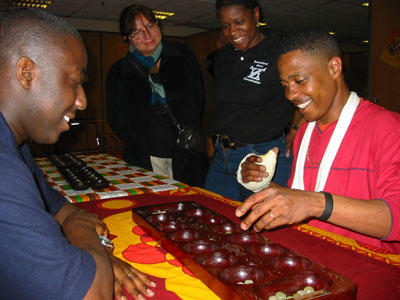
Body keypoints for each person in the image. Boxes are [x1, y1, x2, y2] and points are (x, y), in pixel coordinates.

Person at [0, 8, 156, 299]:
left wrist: (89, 257)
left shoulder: (16, 146)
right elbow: (90, 293)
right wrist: (89, 243)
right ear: (26, 73)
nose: (83, 101)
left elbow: (60, 209)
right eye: (74, 82)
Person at [236, 28, 400, 253]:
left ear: (334, 68)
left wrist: (314, 203)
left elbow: (396, 217)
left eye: (300, 81)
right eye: (285, 85)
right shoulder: (305, 132)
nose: (291, 95)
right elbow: (302, 200)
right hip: (313, 262)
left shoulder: (386, 127)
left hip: (368, 270)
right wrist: (261, 182)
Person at [204, 0, 302, 201]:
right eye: (225, 26)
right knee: (212, 216)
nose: (232, 32)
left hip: (261, 156)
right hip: (223, 156)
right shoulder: (223, 56)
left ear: (256, 15)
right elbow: (221, 104)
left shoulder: (281, 54)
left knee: (261, 225)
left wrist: (296, 128)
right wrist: (210, 137)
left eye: (239, 22)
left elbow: (307, 95)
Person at [106, 4, 208, 187]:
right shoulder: (120, 72)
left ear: (158, 25)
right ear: (126, 38)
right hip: (145, 158)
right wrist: (147, 142)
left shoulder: (183, 56)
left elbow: (197, 99)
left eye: (150, 26)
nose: (147, 35)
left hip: (187, 154)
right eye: (137, 32)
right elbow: (118, 121)